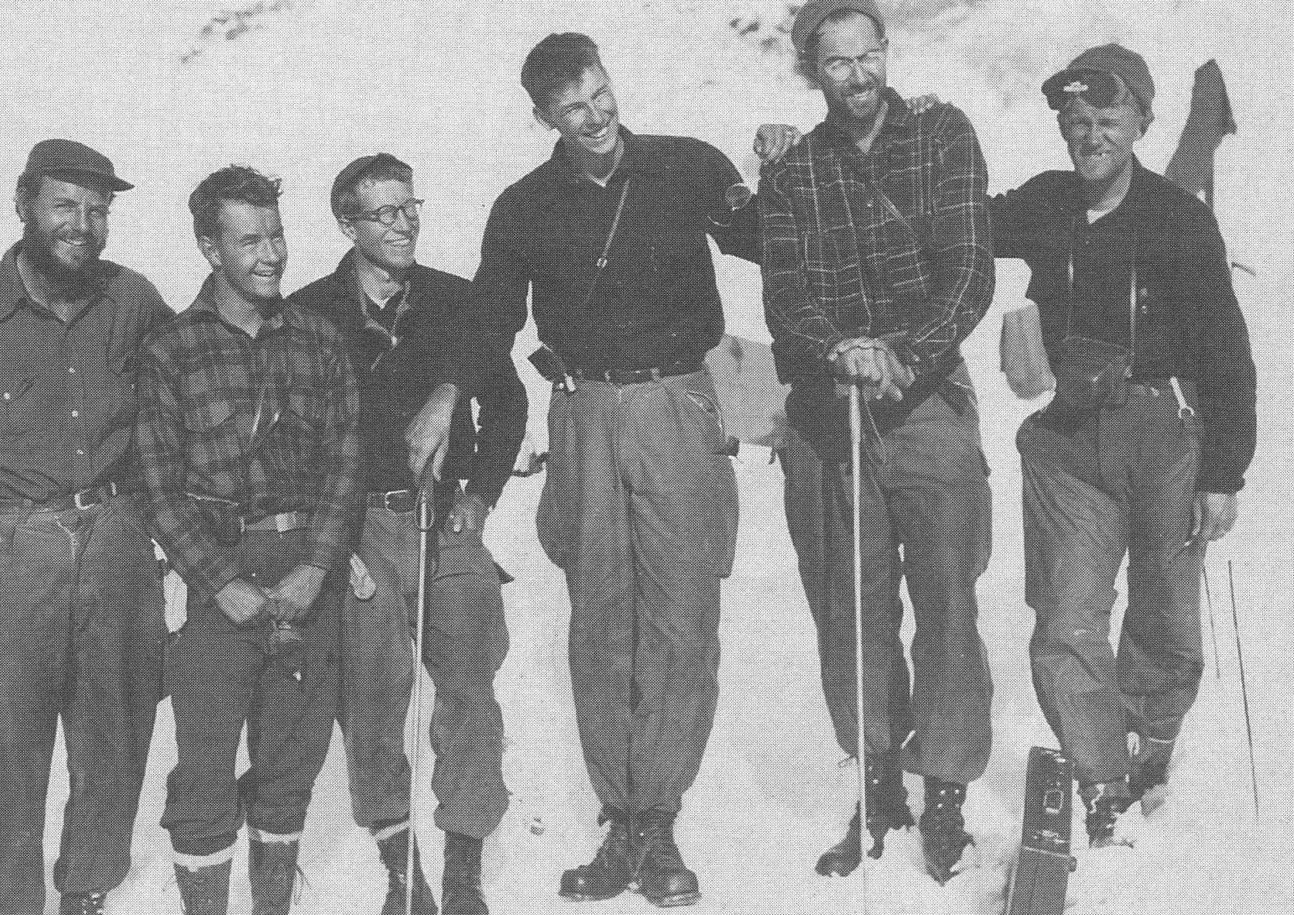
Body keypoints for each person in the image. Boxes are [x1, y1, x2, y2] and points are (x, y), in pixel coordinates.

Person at [464, 31, 758, 908]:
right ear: (541, 118)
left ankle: (658, 816)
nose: (595, 119)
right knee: (600, 619)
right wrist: (448, 395)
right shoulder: (524, 205)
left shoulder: (687, 165)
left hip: (678, 403)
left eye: (600, 96)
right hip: (584, 410)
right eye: (571, 111)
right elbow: (489, 321)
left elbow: (779, 242)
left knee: (680, 614)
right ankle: (618, 812)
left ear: (610, 81)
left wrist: (791, 159)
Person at [0, 139, 172, 915]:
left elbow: (185, 405)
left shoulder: (135, 299)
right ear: (23, 205)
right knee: (7, 758)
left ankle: (86, 893)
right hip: (10, 556)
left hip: (118, 545)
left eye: (97, 210)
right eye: (64, 205)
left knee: (114, 745)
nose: (82, 224)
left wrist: (176, 539)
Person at [991, 44, 1256, 846]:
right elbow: (955, 220)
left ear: (1141, 121)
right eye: (1076, 121)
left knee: (1167, 616)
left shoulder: (1180, 219)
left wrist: (1223, 472)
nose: (1091, 134)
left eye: (1108, 118)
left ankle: (1152, 735)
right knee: (1066, 618)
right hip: (1069, 442)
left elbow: (1225, 353)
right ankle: (1101, 778)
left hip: (1163, 434)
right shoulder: (1043, 204)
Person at [759, 0, 996, 884]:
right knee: (849, 608)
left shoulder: (942, 136)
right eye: (836, 64)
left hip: (926, 399)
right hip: (831, 411)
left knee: (946, 600)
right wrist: (842, 351)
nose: (857, 78)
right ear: (810, 74)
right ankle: (877, 784)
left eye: (869, 57)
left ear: (887, 54)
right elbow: (785, 297)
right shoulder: (793, 173)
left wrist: (907, 353)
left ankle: (944, 792)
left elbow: (970, 268)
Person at [288, 153, 527, 915]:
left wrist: (481, 498)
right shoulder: (308, 311)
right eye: (383, 213)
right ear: (347, 223)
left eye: (409, 206)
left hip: (445, 519)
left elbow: (510, 406)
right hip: (353, 532)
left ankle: (462, 878)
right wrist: (331, 541)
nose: (403, 224)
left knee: (470, 696)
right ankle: (403, 872)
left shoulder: (457, 301)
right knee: (371, 702)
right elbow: (291, 441)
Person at [136, 165, 363, 915]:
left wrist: (315, 567)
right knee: (203, 773)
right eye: (248, 239)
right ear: (210, 247)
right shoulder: (172, 349)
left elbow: (345, 465)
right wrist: (220, 583)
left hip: (305, 575)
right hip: (215, 581)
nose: (270, 254)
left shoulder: (320, 341)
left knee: (288, 766)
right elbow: (159, 487)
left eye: (277, 235)